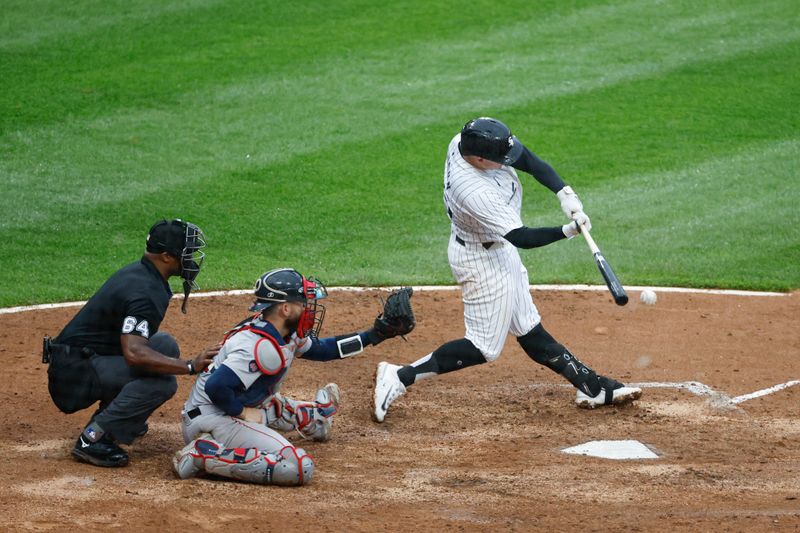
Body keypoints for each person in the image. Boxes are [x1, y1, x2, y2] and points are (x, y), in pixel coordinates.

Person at [373, 117, 642, 423]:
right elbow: (522, 237)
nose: (506, 161)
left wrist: (564, 193)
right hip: (481, 261)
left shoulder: (467, 141)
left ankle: (591, 387)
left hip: (499, 250)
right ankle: (398, 376)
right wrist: (567, 230)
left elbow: (528, 159)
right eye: (499, 159)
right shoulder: (473, 191)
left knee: (528, 327)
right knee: (483, 347)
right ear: (478, 159)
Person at [172, 269, 414, 486]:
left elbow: (324, 349)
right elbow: (217, 386)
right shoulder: (258, 346)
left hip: (232, 406)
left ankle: (314, 419)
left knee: (294, 411)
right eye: (303, 302)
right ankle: (202, 454)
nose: (309, 307)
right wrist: (242, 413)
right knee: (297, 467)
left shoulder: (282, 330)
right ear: (285, 309)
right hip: (215, 418)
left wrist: (376, 335)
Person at [44, 219, 221, 468]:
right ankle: (92, 439)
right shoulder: (145, 291)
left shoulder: (142, 273)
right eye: (186, 254)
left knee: (164, 345)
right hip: (73, 376)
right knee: (162, 385)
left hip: (80, 360)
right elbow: (134, 353)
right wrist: (190, 366)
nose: (190, 261)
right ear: (167, 257)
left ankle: (118, 422)